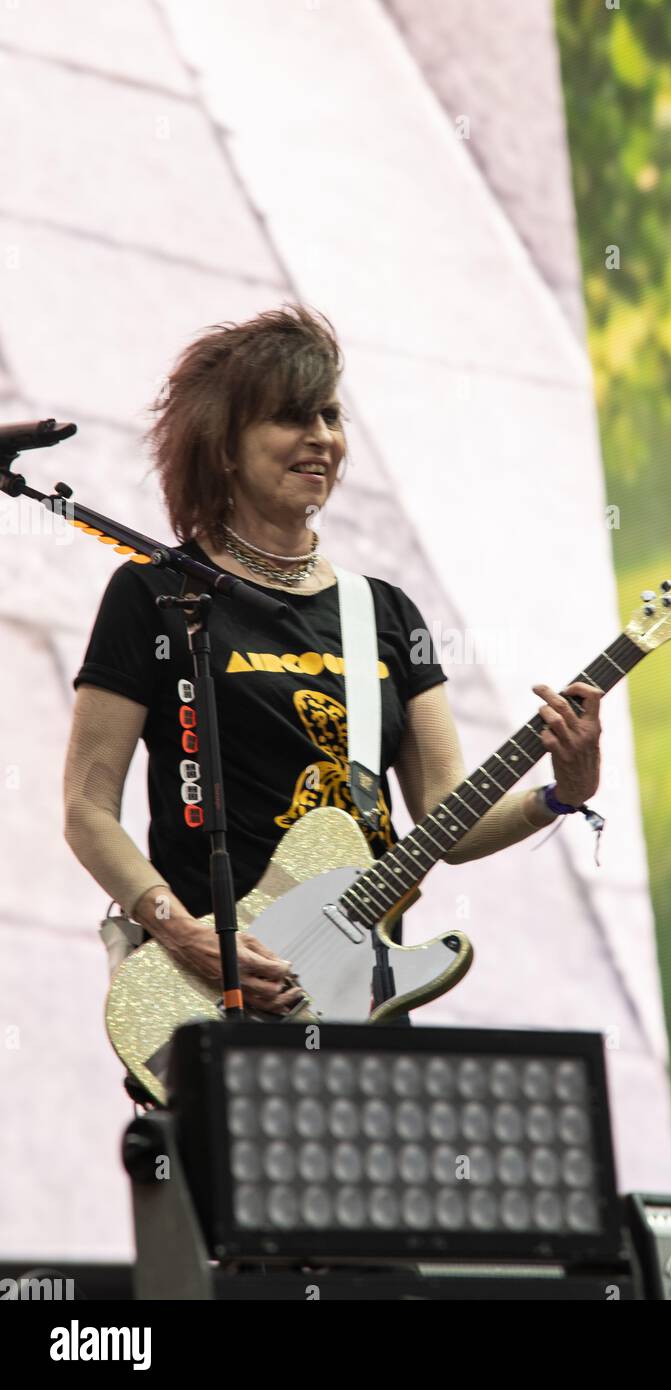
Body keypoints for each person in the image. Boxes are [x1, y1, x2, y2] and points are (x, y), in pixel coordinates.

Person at [63, 303, 603, 1031]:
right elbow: (87, 807)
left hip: (360, 1001)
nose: (321, 438)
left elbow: (450, 821)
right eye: (291, 417)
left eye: (330, 416)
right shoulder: (155, 592)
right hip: (213, 999)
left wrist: (563, 792)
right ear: (224, 446)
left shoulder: (384, 614)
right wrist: (183, 932)